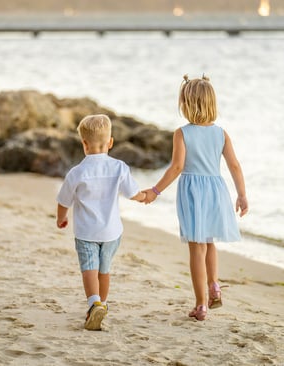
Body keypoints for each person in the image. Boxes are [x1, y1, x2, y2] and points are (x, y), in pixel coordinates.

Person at [144, 74, 248, 321]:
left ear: (187, 105)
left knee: (196, 248)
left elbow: (177, 167)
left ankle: (201, 304)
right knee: (210, 242)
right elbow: (234, 165)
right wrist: (242, 194)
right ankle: (214, 285)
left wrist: (155, 191)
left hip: (193, 192)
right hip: (216, 190)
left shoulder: (182, 133)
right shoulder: (221, 134)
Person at [56, 114, 146, 330]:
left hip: (87, 232)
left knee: (89, 269)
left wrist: (61, 218)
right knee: (104, 271)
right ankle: (102, 305)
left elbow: (63, 200)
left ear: (84, 144)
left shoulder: (77, 172)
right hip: (112, 232)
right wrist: (147, 197)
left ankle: (93, 304)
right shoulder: (119, 167)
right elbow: (133, 193)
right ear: (111, 142)